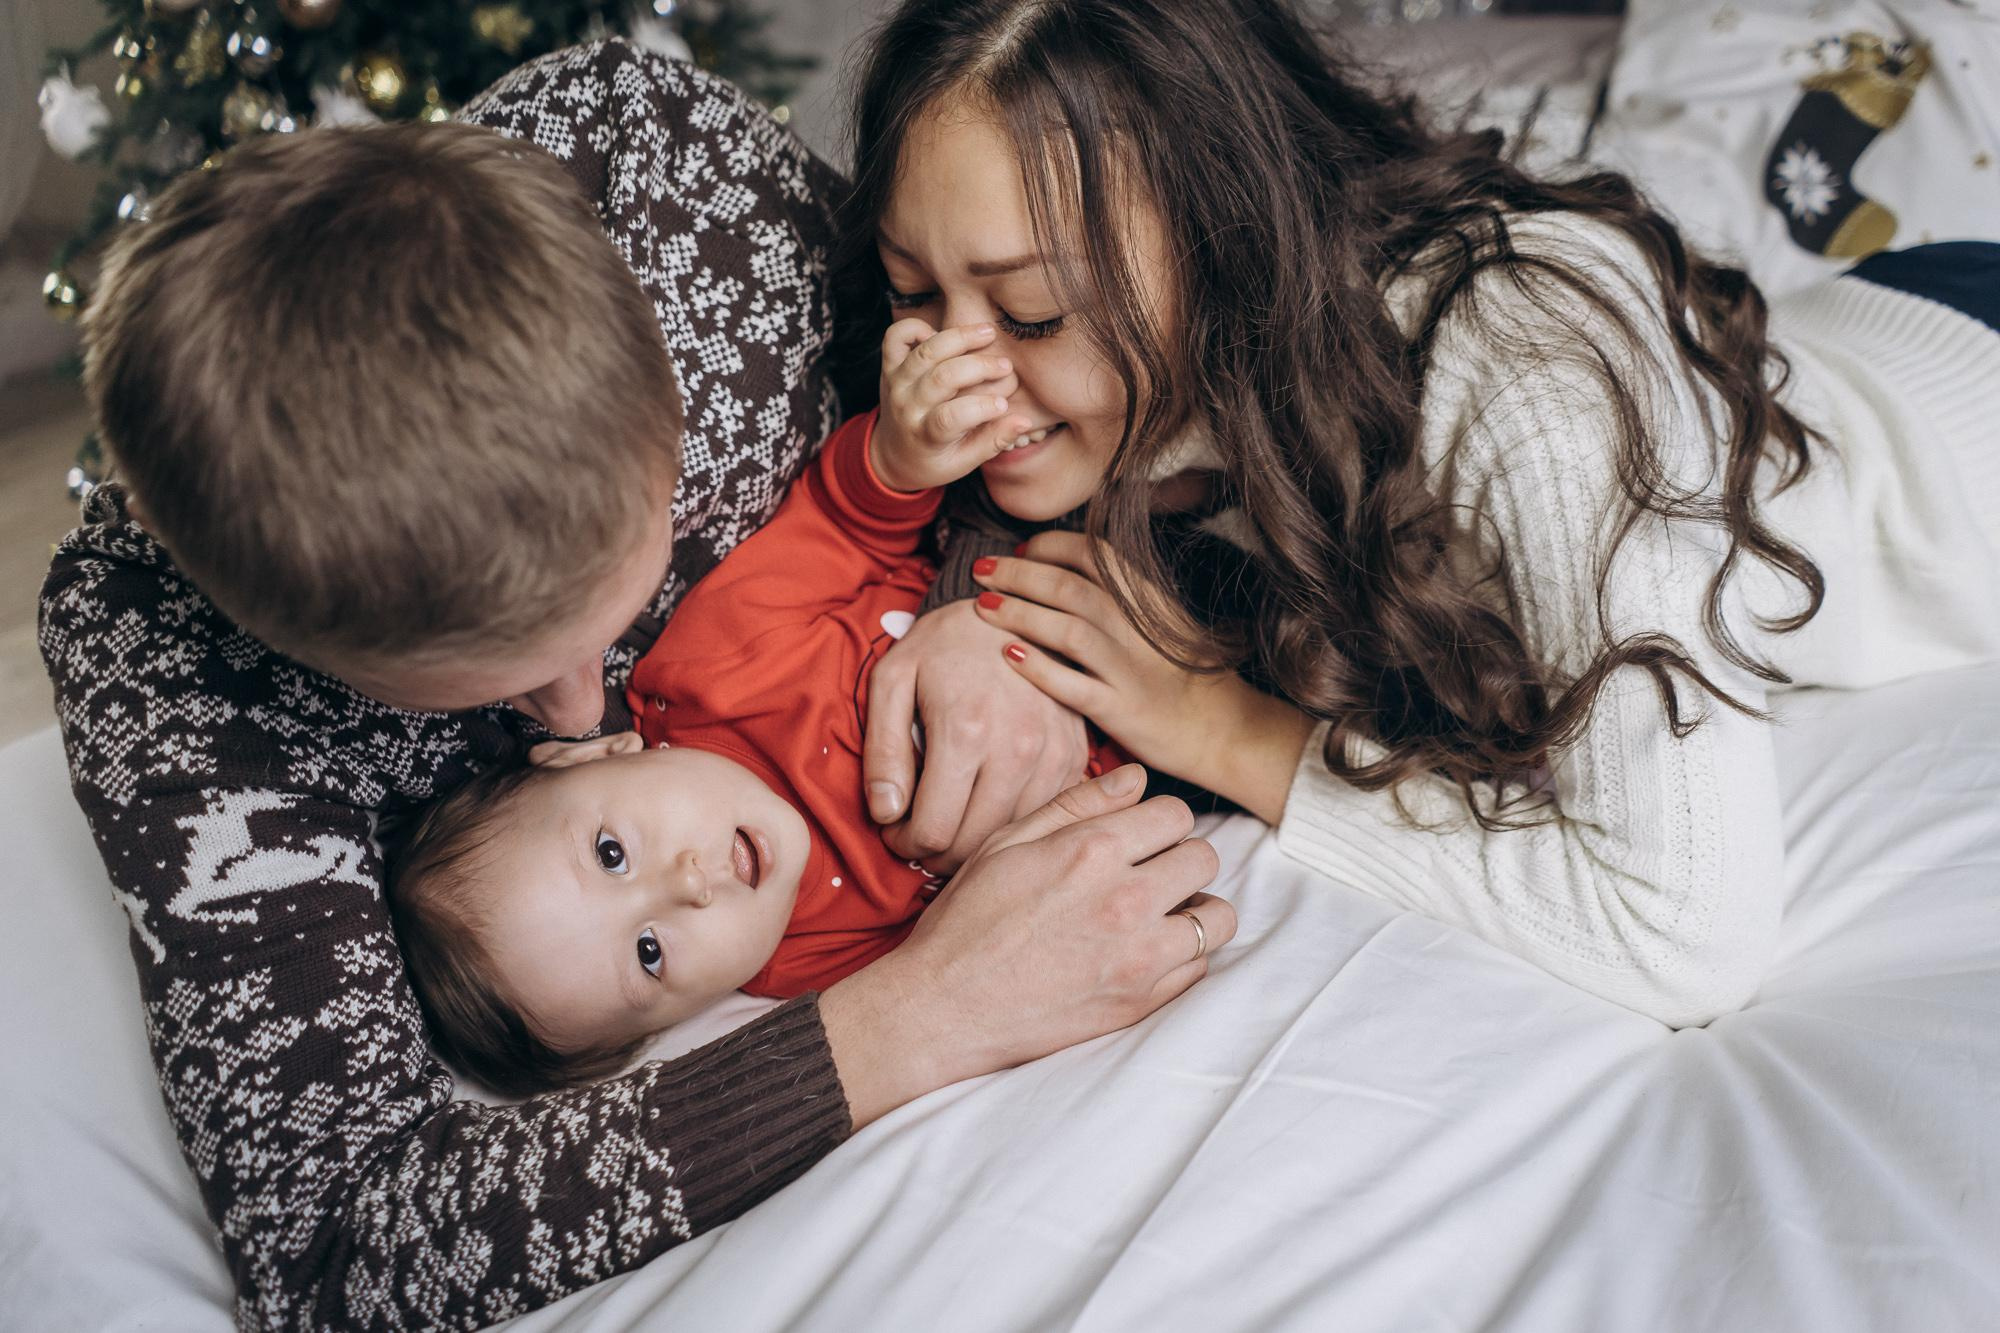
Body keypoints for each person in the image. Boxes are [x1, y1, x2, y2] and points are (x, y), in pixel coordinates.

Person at [39, 41, 1229, 1330]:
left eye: (612, 611)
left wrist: (983, 599)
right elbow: (338, 1252)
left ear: (671, 396)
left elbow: (1001, 385)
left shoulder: (668, 184)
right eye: (480, 694)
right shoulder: (161, 648)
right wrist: (923, 1014)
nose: (582, 715)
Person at [832, 0, 2000, 1029]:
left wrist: (1227, 731)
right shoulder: (1139, 383)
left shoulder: (1526, 366)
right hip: (1840, 328)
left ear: (1222, 240)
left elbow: (1679, 931)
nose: (946, 375)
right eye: (912, 292)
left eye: (1033, 314)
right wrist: (973, 604)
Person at [385, 381, 1221, 1096]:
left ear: (595, 751)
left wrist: (893, 458)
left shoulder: (708, 671)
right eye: (649, 952)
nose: (688, 884)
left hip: (1052, 580)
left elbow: (843, 524)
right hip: (1162, 753)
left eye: (612, 853)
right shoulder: (807, 967)